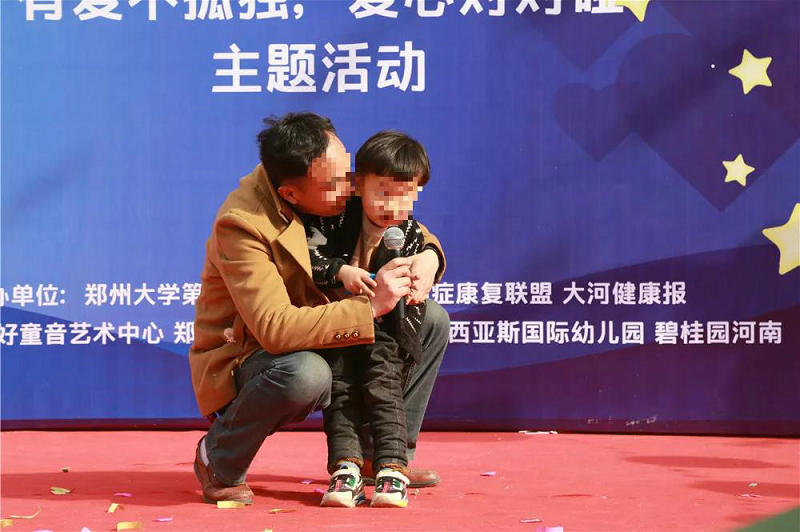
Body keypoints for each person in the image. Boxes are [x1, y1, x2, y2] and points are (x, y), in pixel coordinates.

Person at [188, 112, 449, 505]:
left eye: (350, 174)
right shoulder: (242, 224)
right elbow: (275, 328)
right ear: (292, 196)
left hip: (324, 322)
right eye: (337, 185)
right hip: (251, 354)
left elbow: (397, 217)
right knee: (307, 375)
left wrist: (430, 256)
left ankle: (382, 456)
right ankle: (219, 458)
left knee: (431, 320)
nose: (351, 188)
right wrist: (370, 307)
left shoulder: (331, 182)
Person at [305, 131, 431, 508]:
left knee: (383, 390)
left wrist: (417, 278)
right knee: (341, 393)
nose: (393, 205)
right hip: (339, 326)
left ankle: (392, 469)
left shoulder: (410, 234)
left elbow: (414, 286)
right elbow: (306, 259)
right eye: (384, 193)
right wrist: (340, 272)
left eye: (405, 195)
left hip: (386, 332)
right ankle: (346, 470)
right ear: (358, 185)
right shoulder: (333, 220)